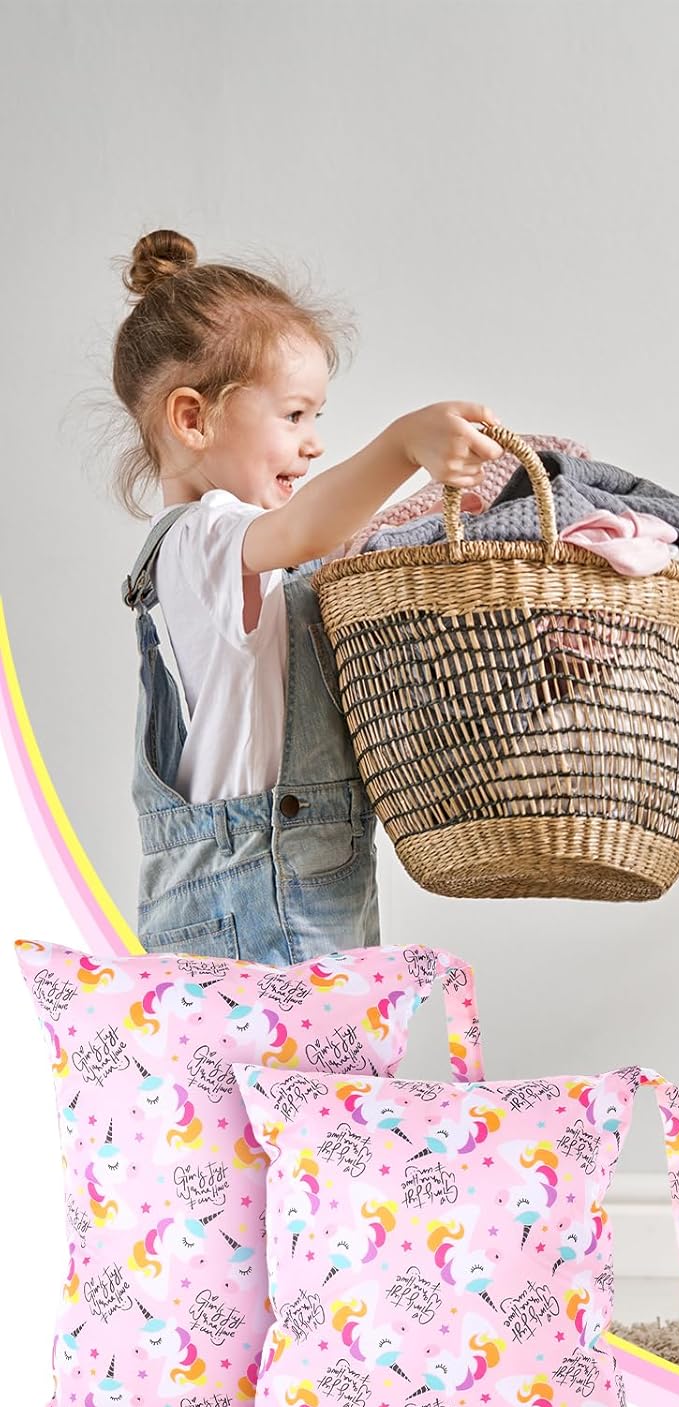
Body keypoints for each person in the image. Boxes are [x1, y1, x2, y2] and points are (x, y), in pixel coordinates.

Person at [109, 229, 502, 963]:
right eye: (293, 415)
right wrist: (401, 445)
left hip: (302, 880)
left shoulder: (242, 552)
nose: (313, 441)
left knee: (330, 1045)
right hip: (255, 895)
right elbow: (302, 530)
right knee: (312, 1047)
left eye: (316, 417)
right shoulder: (199, 540)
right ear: (193, 418)